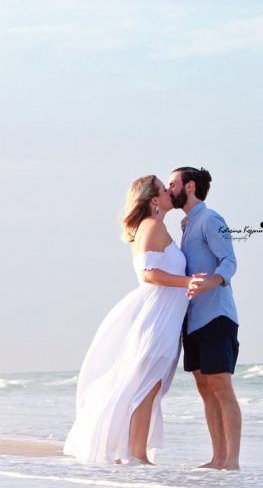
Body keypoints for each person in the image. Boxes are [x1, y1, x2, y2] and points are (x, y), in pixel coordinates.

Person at [63, 175, 206, 465]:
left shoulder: (155, 226)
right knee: (147, 385)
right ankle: (137, 455)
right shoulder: (152, 226)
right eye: (163, 189)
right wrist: (188, 281)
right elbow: (149, 274)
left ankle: (127, 451)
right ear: (154, 200)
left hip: (163, 316)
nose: (168, 191)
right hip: (156, 317)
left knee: (146, 385)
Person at [168, 167, 242, 470]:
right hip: (193, 319)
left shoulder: (211, 219)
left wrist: (210, 283)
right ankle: (217, 458)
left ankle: (232, 461)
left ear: (190, 186)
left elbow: (230, 261)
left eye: (173, 183)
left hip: (216, 315)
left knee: (221, 386)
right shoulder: (186, 226)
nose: (169, 188)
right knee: (203, 388)